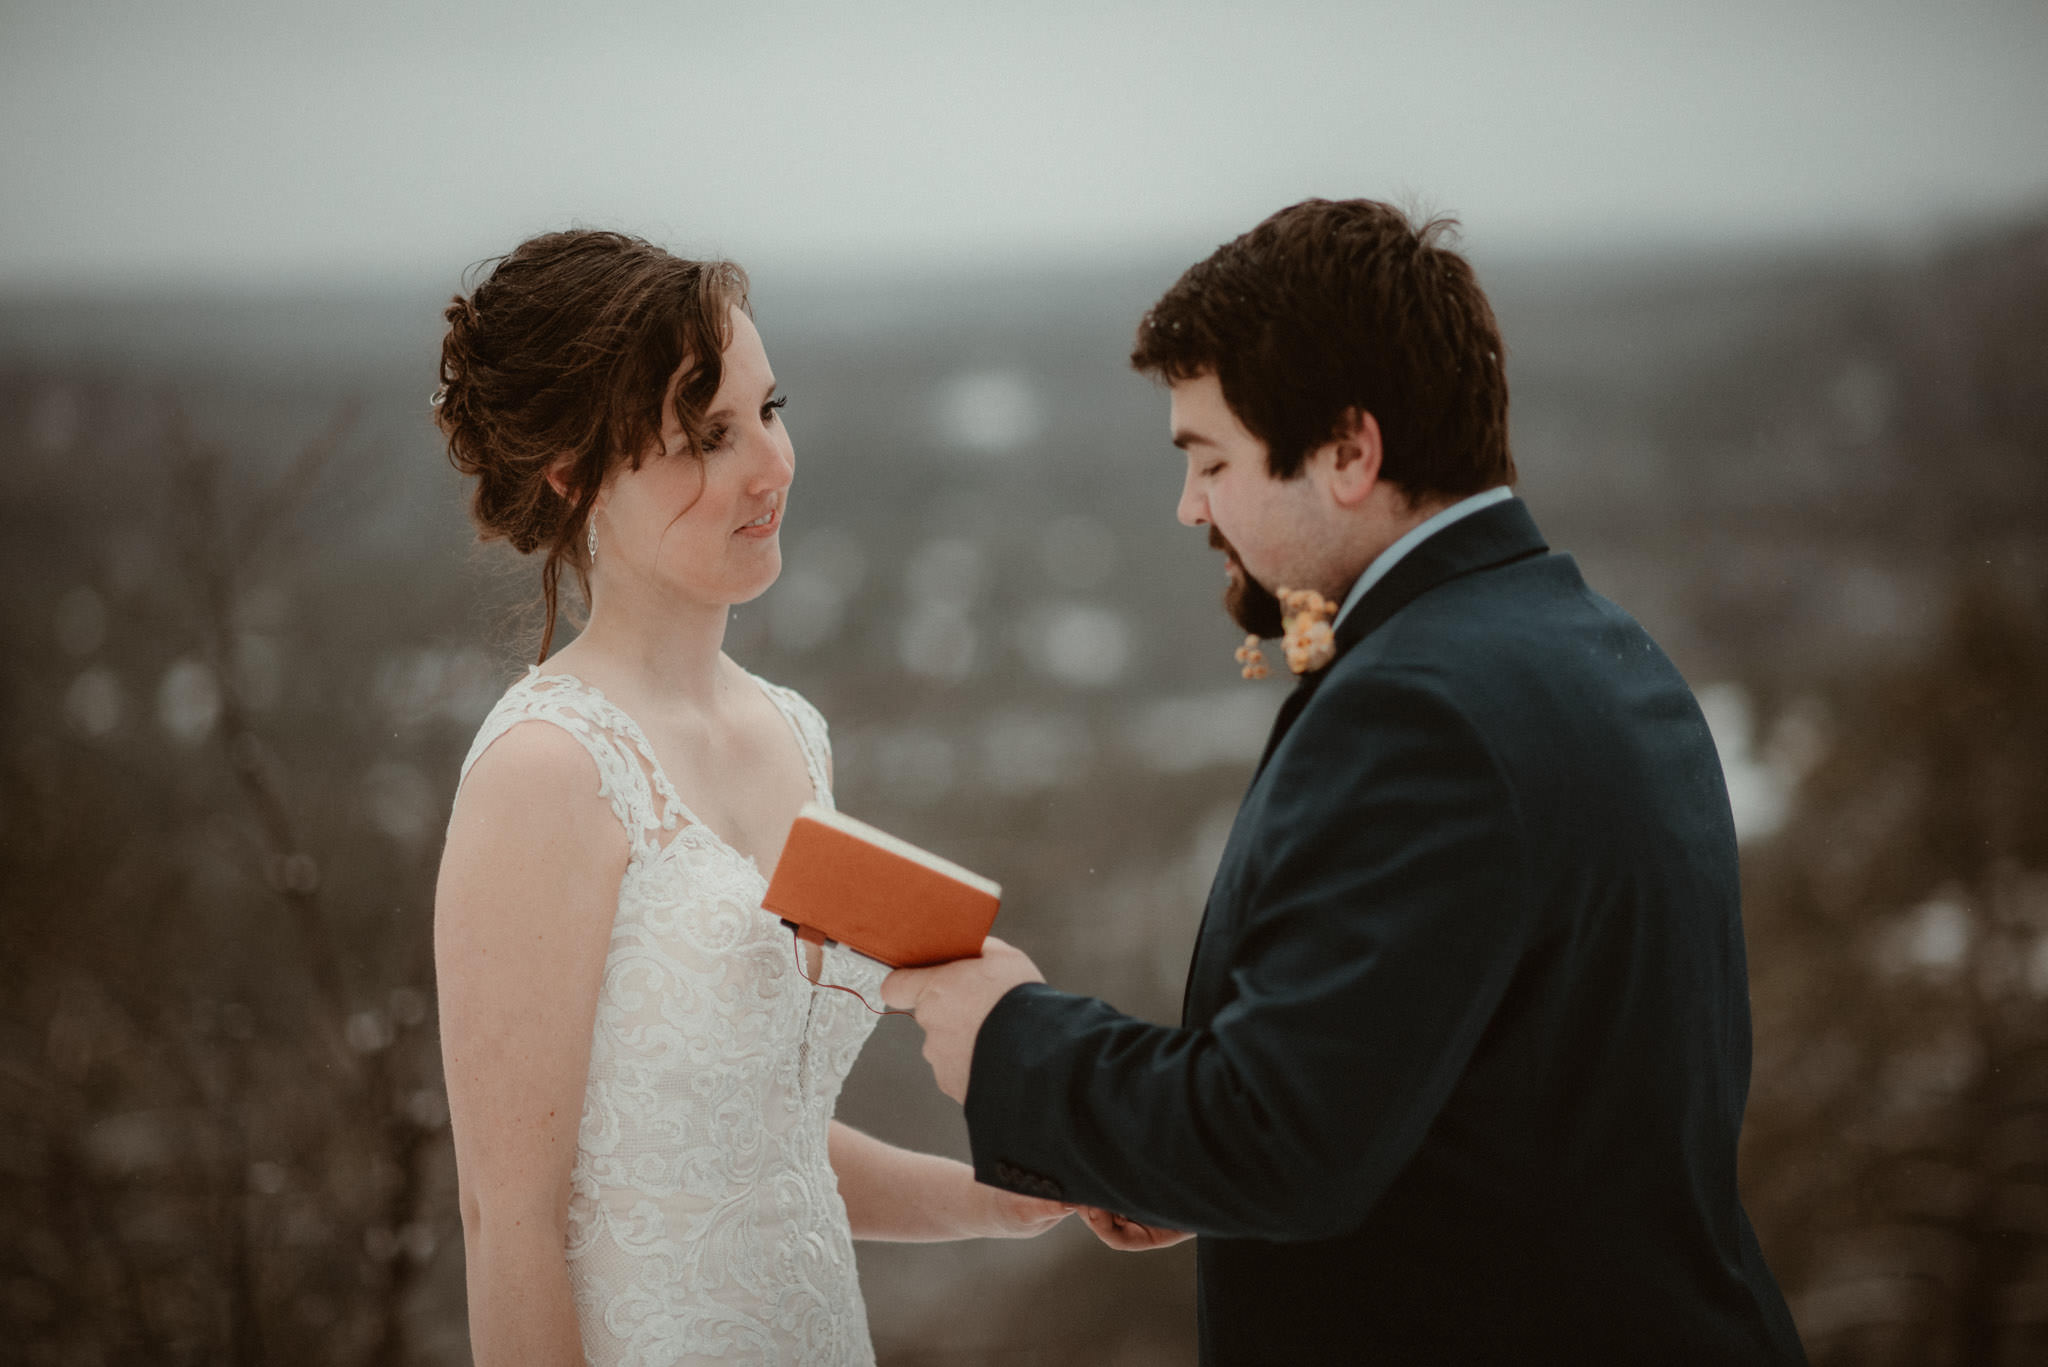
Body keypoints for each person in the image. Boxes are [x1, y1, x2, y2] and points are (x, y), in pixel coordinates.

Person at [883, 199, 1809, 1364]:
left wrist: (1007, 1038)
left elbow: (1276, 1132)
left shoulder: (1420, 711)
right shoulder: (1593, 649)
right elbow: (1467, 1080)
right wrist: (1170, 1163)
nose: (1190, 506)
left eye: (1210, 459)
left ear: (1345, 451)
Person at [430, 230, 1069, 1367]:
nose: (767, 464)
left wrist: (1004, 1198)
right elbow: (508, 1220)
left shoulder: (793, 734)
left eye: (769, 410)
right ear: (575, 475)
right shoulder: (544, 771)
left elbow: (758, 1155)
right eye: (705, 437)